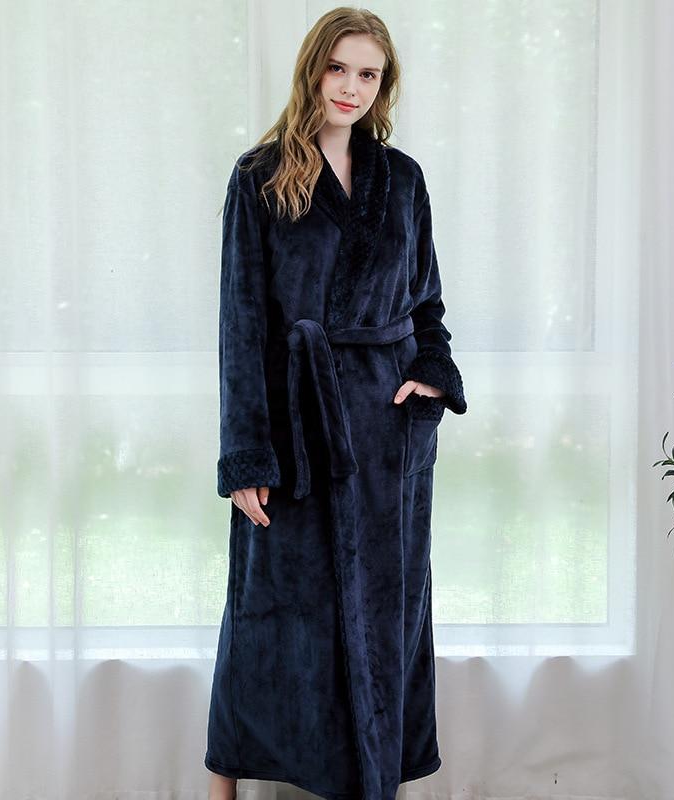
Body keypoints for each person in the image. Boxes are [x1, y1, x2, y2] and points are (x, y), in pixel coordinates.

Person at [205, 7, 467, 800]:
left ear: (384, 85)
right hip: (299, 430)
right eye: (339, 68)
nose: (351, 87)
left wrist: (432, 373)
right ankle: (224, 782)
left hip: (388, 431)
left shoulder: (403, 179)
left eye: (369, 74)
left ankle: (375, 777)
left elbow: (428, 302)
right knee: (271, 611)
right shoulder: (260, 177)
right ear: (312, 70)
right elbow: (242, 325)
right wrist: (247, 455)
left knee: (387, 611)